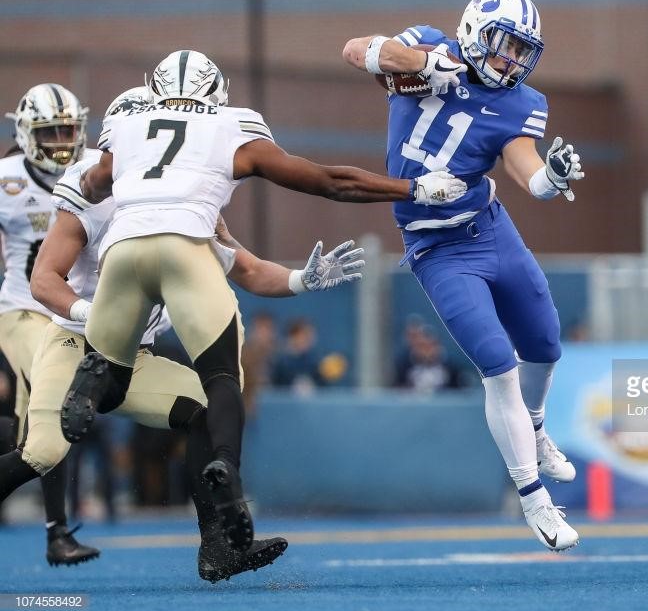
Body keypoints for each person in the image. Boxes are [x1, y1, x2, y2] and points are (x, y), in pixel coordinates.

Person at [65, 52, 466, 553]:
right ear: (218, 92)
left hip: (121, 251)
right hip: (185, 247)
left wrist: (107, 177)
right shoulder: (232, 125)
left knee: (111, 374)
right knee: (221, 381)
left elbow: (91, 182)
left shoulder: (127, 123)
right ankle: (226, 473)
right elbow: (325, 180)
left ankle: (87, 383)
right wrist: (412, 188)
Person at [0, 85, 364, 580]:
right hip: (76, 344)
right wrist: (98, 316)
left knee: (206, 410)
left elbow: (246, 268)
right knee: (44, 451)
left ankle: (217, 549)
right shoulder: (86, 192)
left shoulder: (182, 193)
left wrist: (303, 279)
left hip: (138, 357)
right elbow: (43, 280)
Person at [343, 0, 586, 551]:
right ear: (476, 34)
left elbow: (526, 172)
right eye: (504, 47)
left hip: (490, 227)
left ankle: (538, 428)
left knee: (546, 343)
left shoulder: (524, 102)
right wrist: (429, 67)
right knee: (498, 365)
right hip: (437, 244)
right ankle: (533, 498)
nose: (513, 62)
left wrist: (553, 178)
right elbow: (357, 50)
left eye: (523, 52)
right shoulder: (429, 44)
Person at [0, 83, 99, 564]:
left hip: (76, 316)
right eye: (50, 130)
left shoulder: (97, 168)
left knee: (27, 432)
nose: (62, 139)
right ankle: (57, 532)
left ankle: (56, 532)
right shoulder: (6, 179)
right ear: (25, 133)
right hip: (21, 309)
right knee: (57, 402)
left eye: (68, 129)